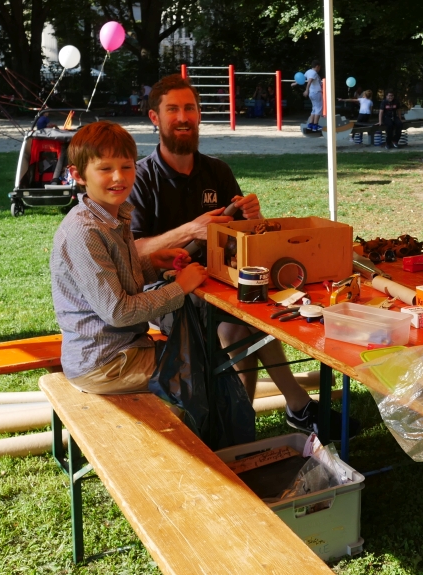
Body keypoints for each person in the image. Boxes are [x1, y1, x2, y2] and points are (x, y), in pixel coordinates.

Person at [129, 74, 357, 438]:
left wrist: (255, 220)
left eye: (189, 108)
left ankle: (244, 423)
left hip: (222, 283)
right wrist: (191, 230)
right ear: (155, 118)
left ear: (199, 115)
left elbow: (244, 241)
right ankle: (288, 408)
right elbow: (133, 253)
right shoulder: (141, 179)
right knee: (241, 324)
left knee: (249, 313)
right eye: (172, 109)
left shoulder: (216, 171)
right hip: (168, 293)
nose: (183, 117)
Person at [50, 121, 209, 394]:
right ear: (78, 174)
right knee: (205, 371)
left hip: (123, 350)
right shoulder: (84, 231)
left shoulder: (112, 214)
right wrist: (181, 287)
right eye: (105, 169)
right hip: (104, 363)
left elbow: (115, 277)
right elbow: (119, 312)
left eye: (127, 166)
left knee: (203, 357)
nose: (119, 177)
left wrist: (153, 263)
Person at [304, 60, 324, 132]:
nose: (319, 69)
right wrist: (306, 90)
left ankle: (310, 125)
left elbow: (302, 78)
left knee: (314, 109)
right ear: (317, 66)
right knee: (319, 108)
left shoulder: (308, 71)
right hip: (316, 92)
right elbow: (309, 82)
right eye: (319, 68)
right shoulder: (314, 73)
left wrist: (295, 83)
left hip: (312, 93)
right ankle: (315, 125)